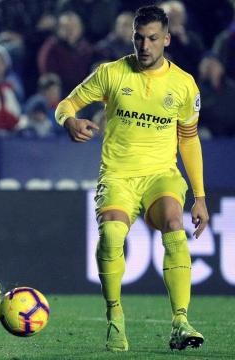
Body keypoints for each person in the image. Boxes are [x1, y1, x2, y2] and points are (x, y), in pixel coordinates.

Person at [55, 5, 208, 352]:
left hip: (160, 176)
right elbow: (66, 104)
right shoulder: (111, 73)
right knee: (110, 234)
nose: (145, 45)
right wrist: (69, 121)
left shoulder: (184, 85)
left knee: (174, 221)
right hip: (118, 176)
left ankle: (181, 321)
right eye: (139, 38)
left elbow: (189, 139)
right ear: (132, 37)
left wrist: (199, 196)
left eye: (153, 38)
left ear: (166, 39)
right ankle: (115, 317)